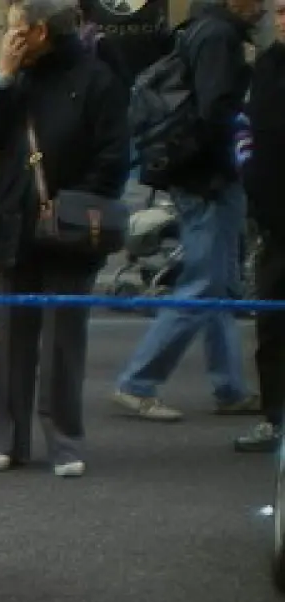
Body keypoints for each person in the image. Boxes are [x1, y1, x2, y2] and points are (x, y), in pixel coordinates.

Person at [0, 0, 129, 477]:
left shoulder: (97, 79)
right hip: (15, 222)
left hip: (71, 228)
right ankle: (5, 437)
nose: (7, 34)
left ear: (38, 31)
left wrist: (75, 204)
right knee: (12, 333)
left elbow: (114, 156)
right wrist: (0, 77)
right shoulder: (16, 77)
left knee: (64, 337)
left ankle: (65, 440)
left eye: (14, 26)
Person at [111, 0, 265, 424]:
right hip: (209, 180)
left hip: (197, 175)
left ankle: (230, 386)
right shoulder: (220, 37)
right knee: (201, 285)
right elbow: (217, 112)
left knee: (218, 285)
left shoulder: (202, 28)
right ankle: (137, 382)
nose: (265, 8)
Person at [234, 35, 284, 454]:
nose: (284, 19)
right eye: (281, 11)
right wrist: (246, 166)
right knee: (271, 327)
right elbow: (245, 124)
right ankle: (275, 418)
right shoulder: (268, 64)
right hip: (272, 220)